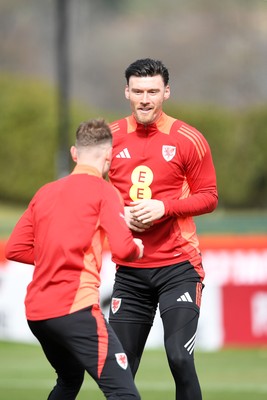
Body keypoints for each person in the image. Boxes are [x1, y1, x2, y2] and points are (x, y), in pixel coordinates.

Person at [5, 119, 144, 400]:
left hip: (38, 314)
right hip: (75, 310)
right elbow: (124, 249)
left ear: (74, 153)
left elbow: (14, 249)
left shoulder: (45, 192)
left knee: (69, 381)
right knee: (124, 393)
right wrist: (138, 248)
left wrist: (54, 258)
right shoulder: (105, 192)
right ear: (109, 156)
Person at [108, 58, 218, 400]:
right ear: (126, 92)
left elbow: (209, 197)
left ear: (166, 93)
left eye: (152, 91)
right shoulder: (108, 138)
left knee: (180, 357)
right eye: (138, 91)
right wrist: (118, 216)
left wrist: (164, 207)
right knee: (119, 369)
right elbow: (88, 194)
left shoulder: (188, 139)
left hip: (178, 268)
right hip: (130, 270)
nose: (145, 99)